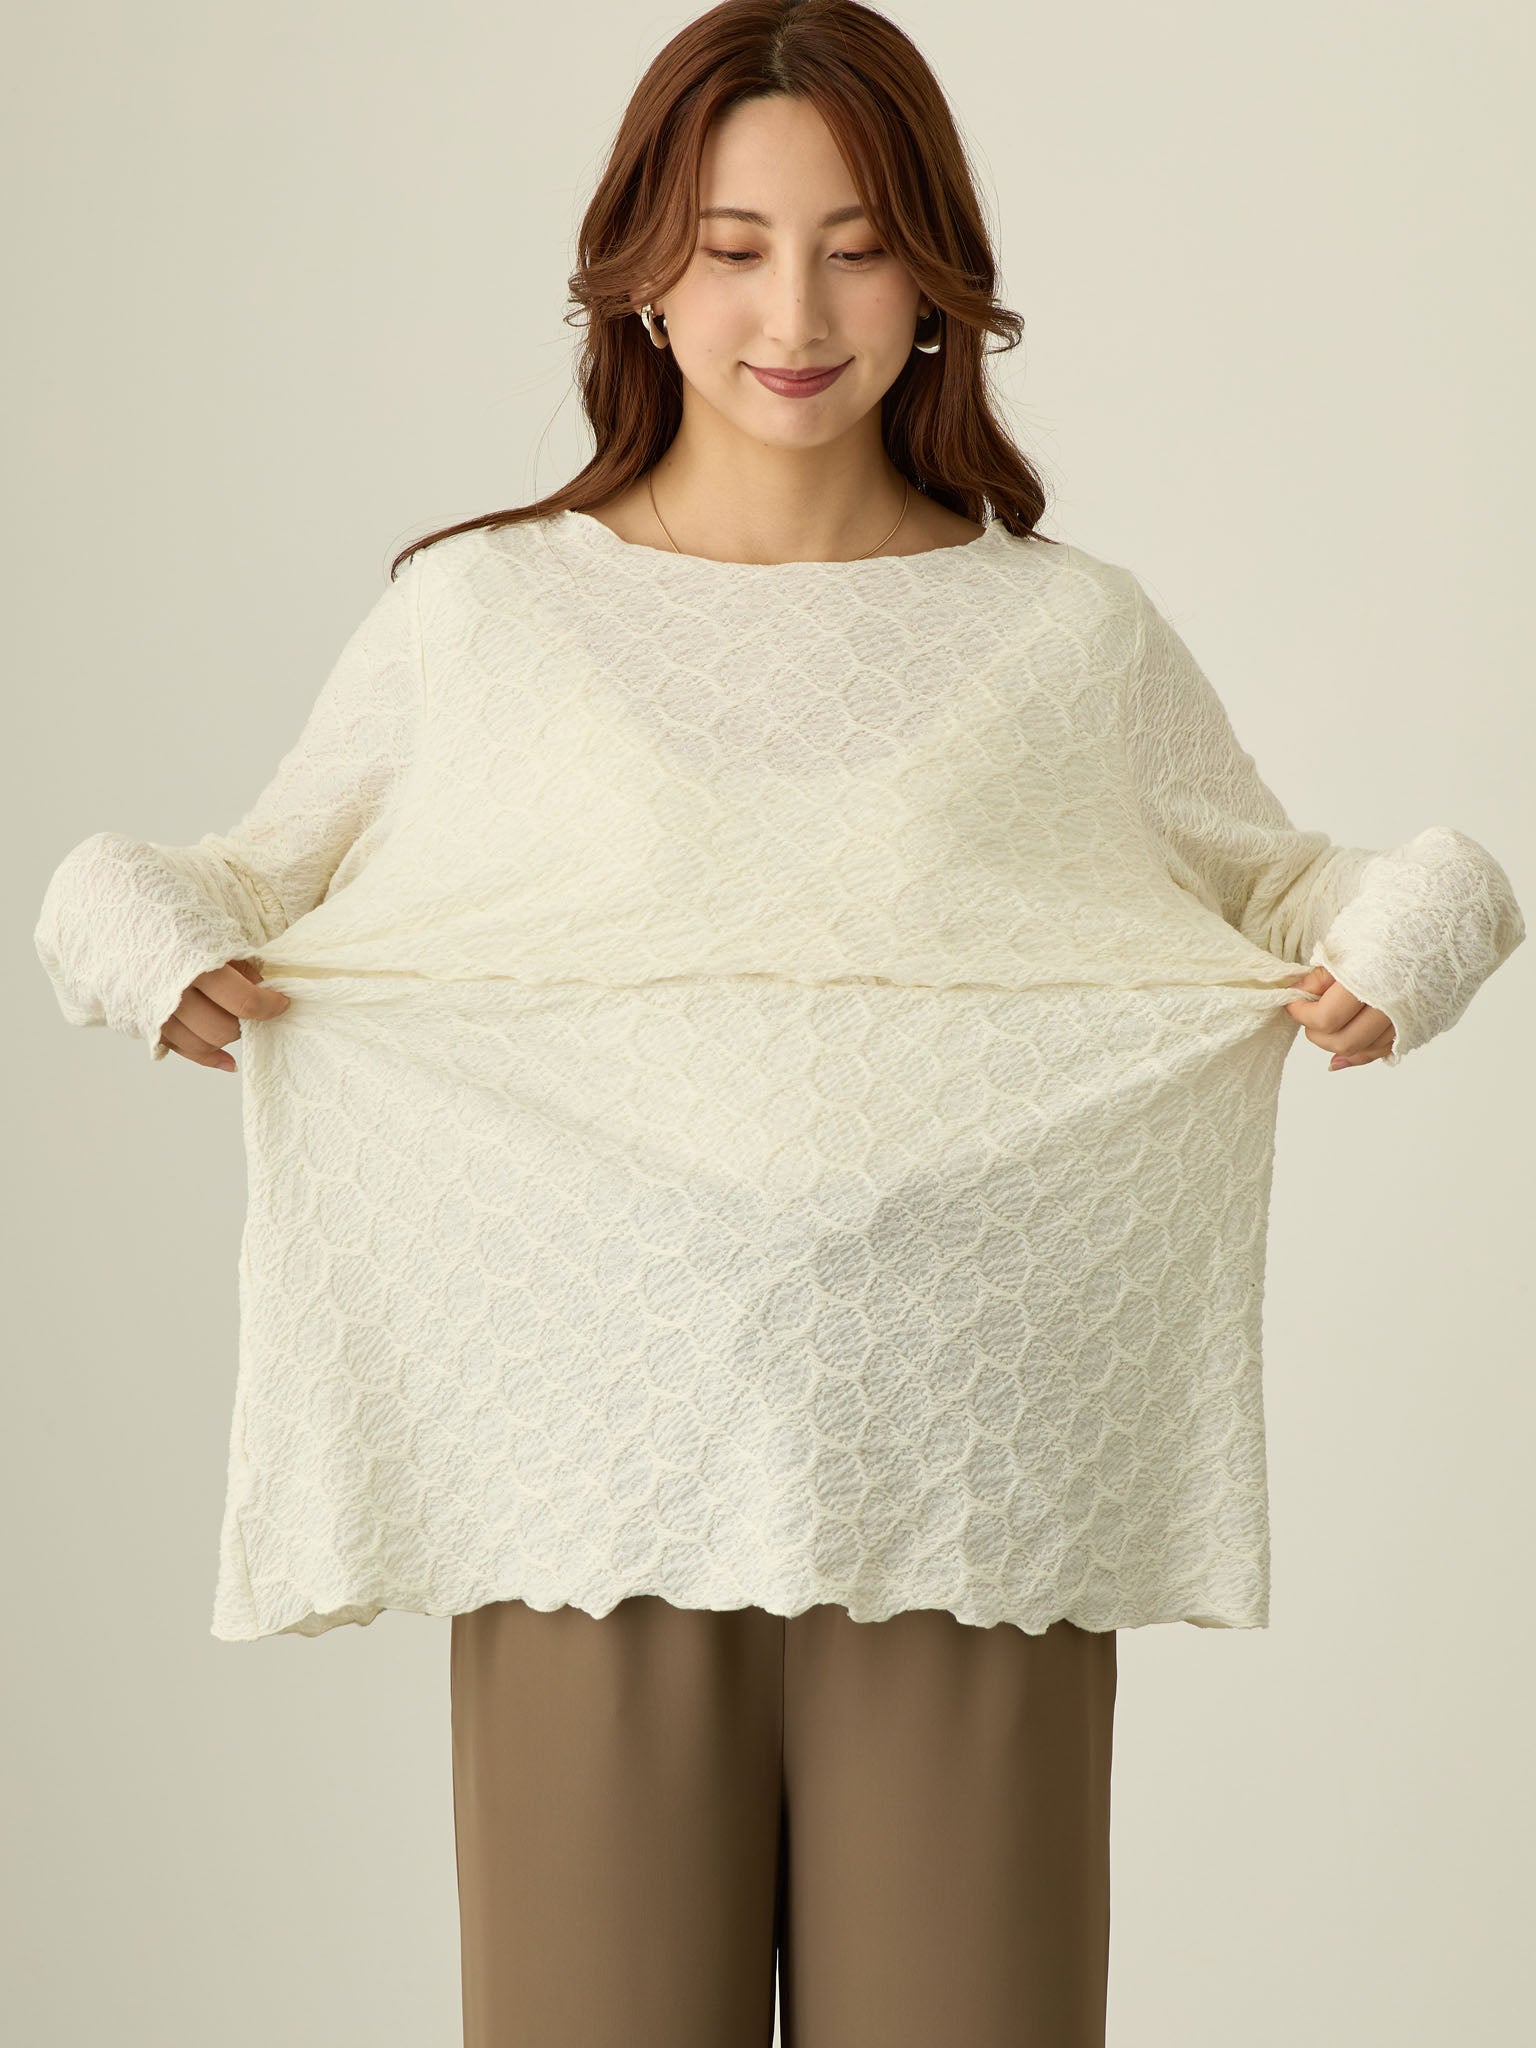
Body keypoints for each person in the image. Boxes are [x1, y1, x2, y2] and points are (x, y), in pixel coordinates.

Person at [31, 4, 1525, 2045]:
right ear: (642, 276)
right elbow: (230, 876)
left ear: (939, 278)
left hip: (974, 1475)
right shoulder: (485, 617)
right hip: (587, 1482)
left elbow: (1288, 885)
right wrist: (121, 925)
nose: (796, 313)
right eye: (733, 248)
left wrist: (1435, 913)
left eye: (857, 245)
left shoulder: (1065, 632)